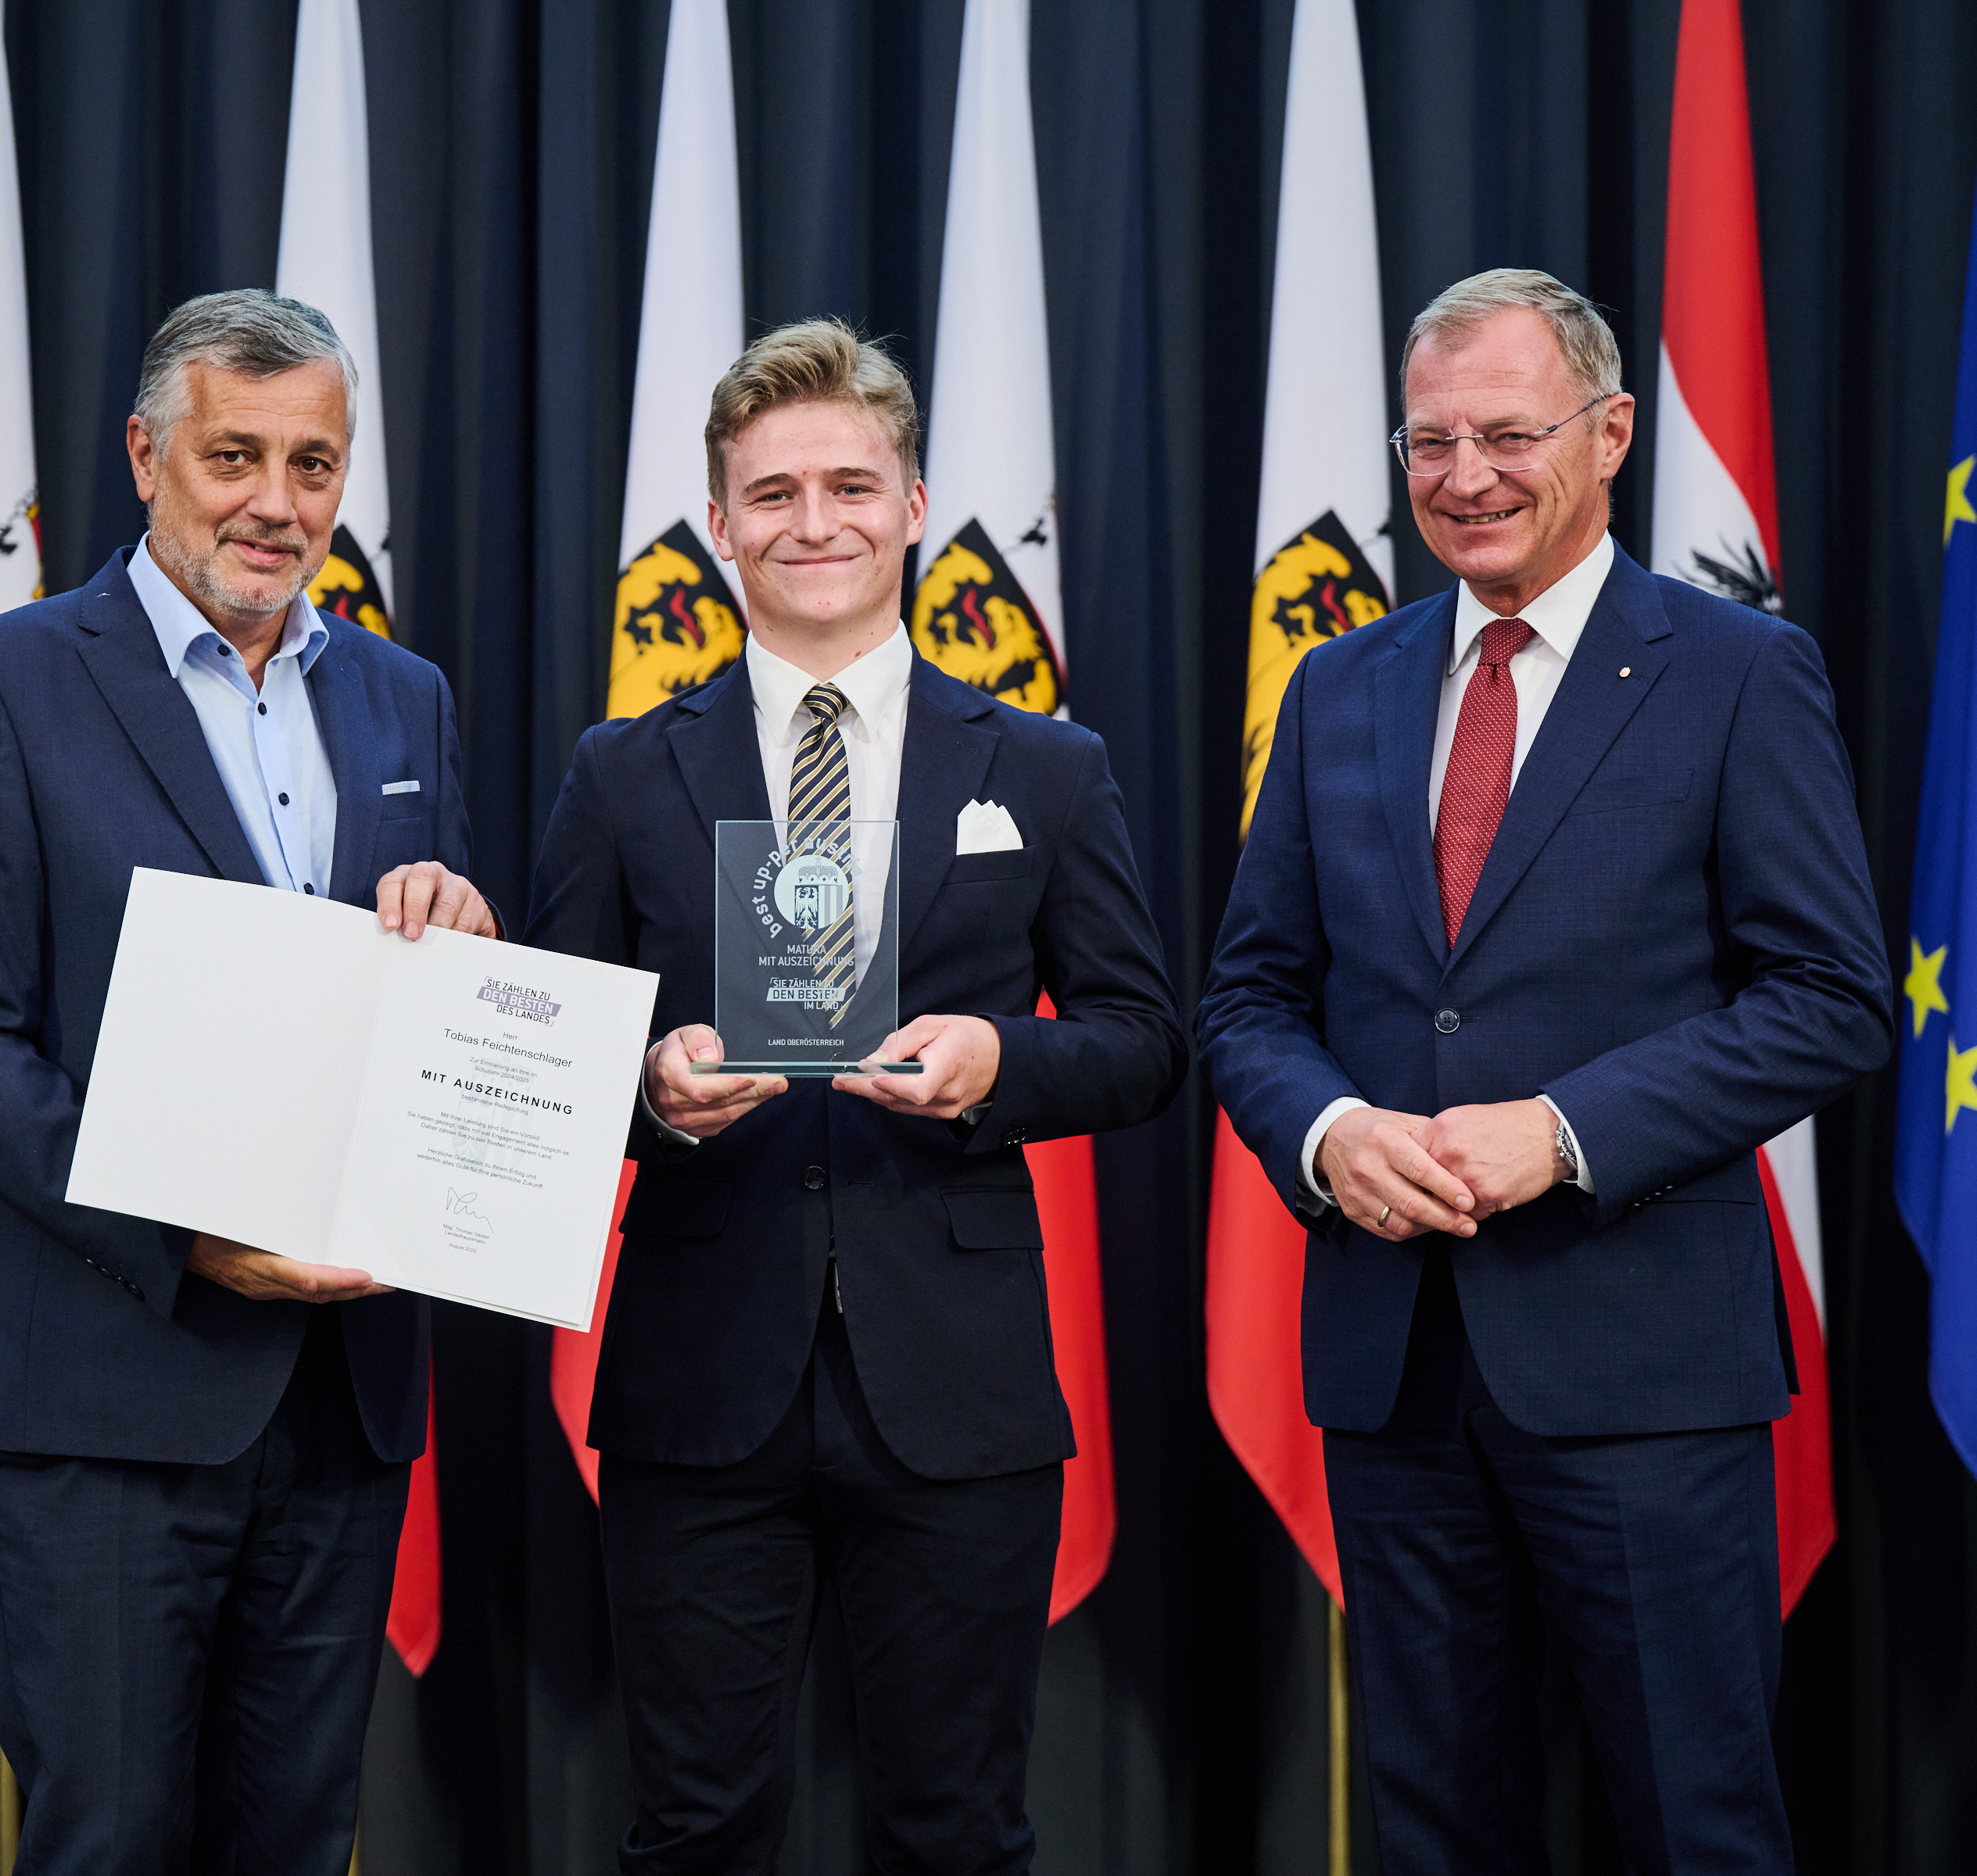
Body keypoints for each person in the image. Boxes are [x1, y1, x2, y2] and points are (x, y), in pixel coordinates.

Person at [1196, 270, 1889, 1874]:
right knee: (1435, 1830)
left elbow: (1831, 1000)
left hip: (1642, 1367)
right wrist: (1329, 1132)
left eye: (1509, 435)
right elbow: (1248, 1000)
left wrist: (1567, 1132)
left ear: (1613, 431)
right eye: (1430, 442)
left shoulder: (1737, 671)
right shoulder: (1337, 687)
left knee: (1698, 1828)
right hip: (1395, 1371)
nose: (1466, 477)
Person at [525, 317, 1185, 1874]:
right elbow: (544, 1050)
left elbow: (1144, 1039)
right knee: (695, 1831)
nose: (811, 523)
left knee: (957, 1832)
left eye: (848, 486)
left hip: (955, 1385)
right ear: (718, 522)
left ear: (913, 504)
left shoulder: (1045, 767)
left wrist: (998, 1064)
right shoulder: (623, 771)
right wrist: (649, 1089)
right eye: (772, 494)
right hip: (699, 1384)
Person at [0, 289, 497, 1873]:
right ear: (148, 454)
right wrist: (189, 1235)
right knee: (108, 1845)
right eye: (237, 456)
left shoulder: (406, 697)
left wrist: (463, 935)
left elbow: (421, 1001)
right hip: (107, 1387)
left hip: (345, 1398)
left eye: (315, 463)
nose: (277, 503)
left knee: (296, 1843)